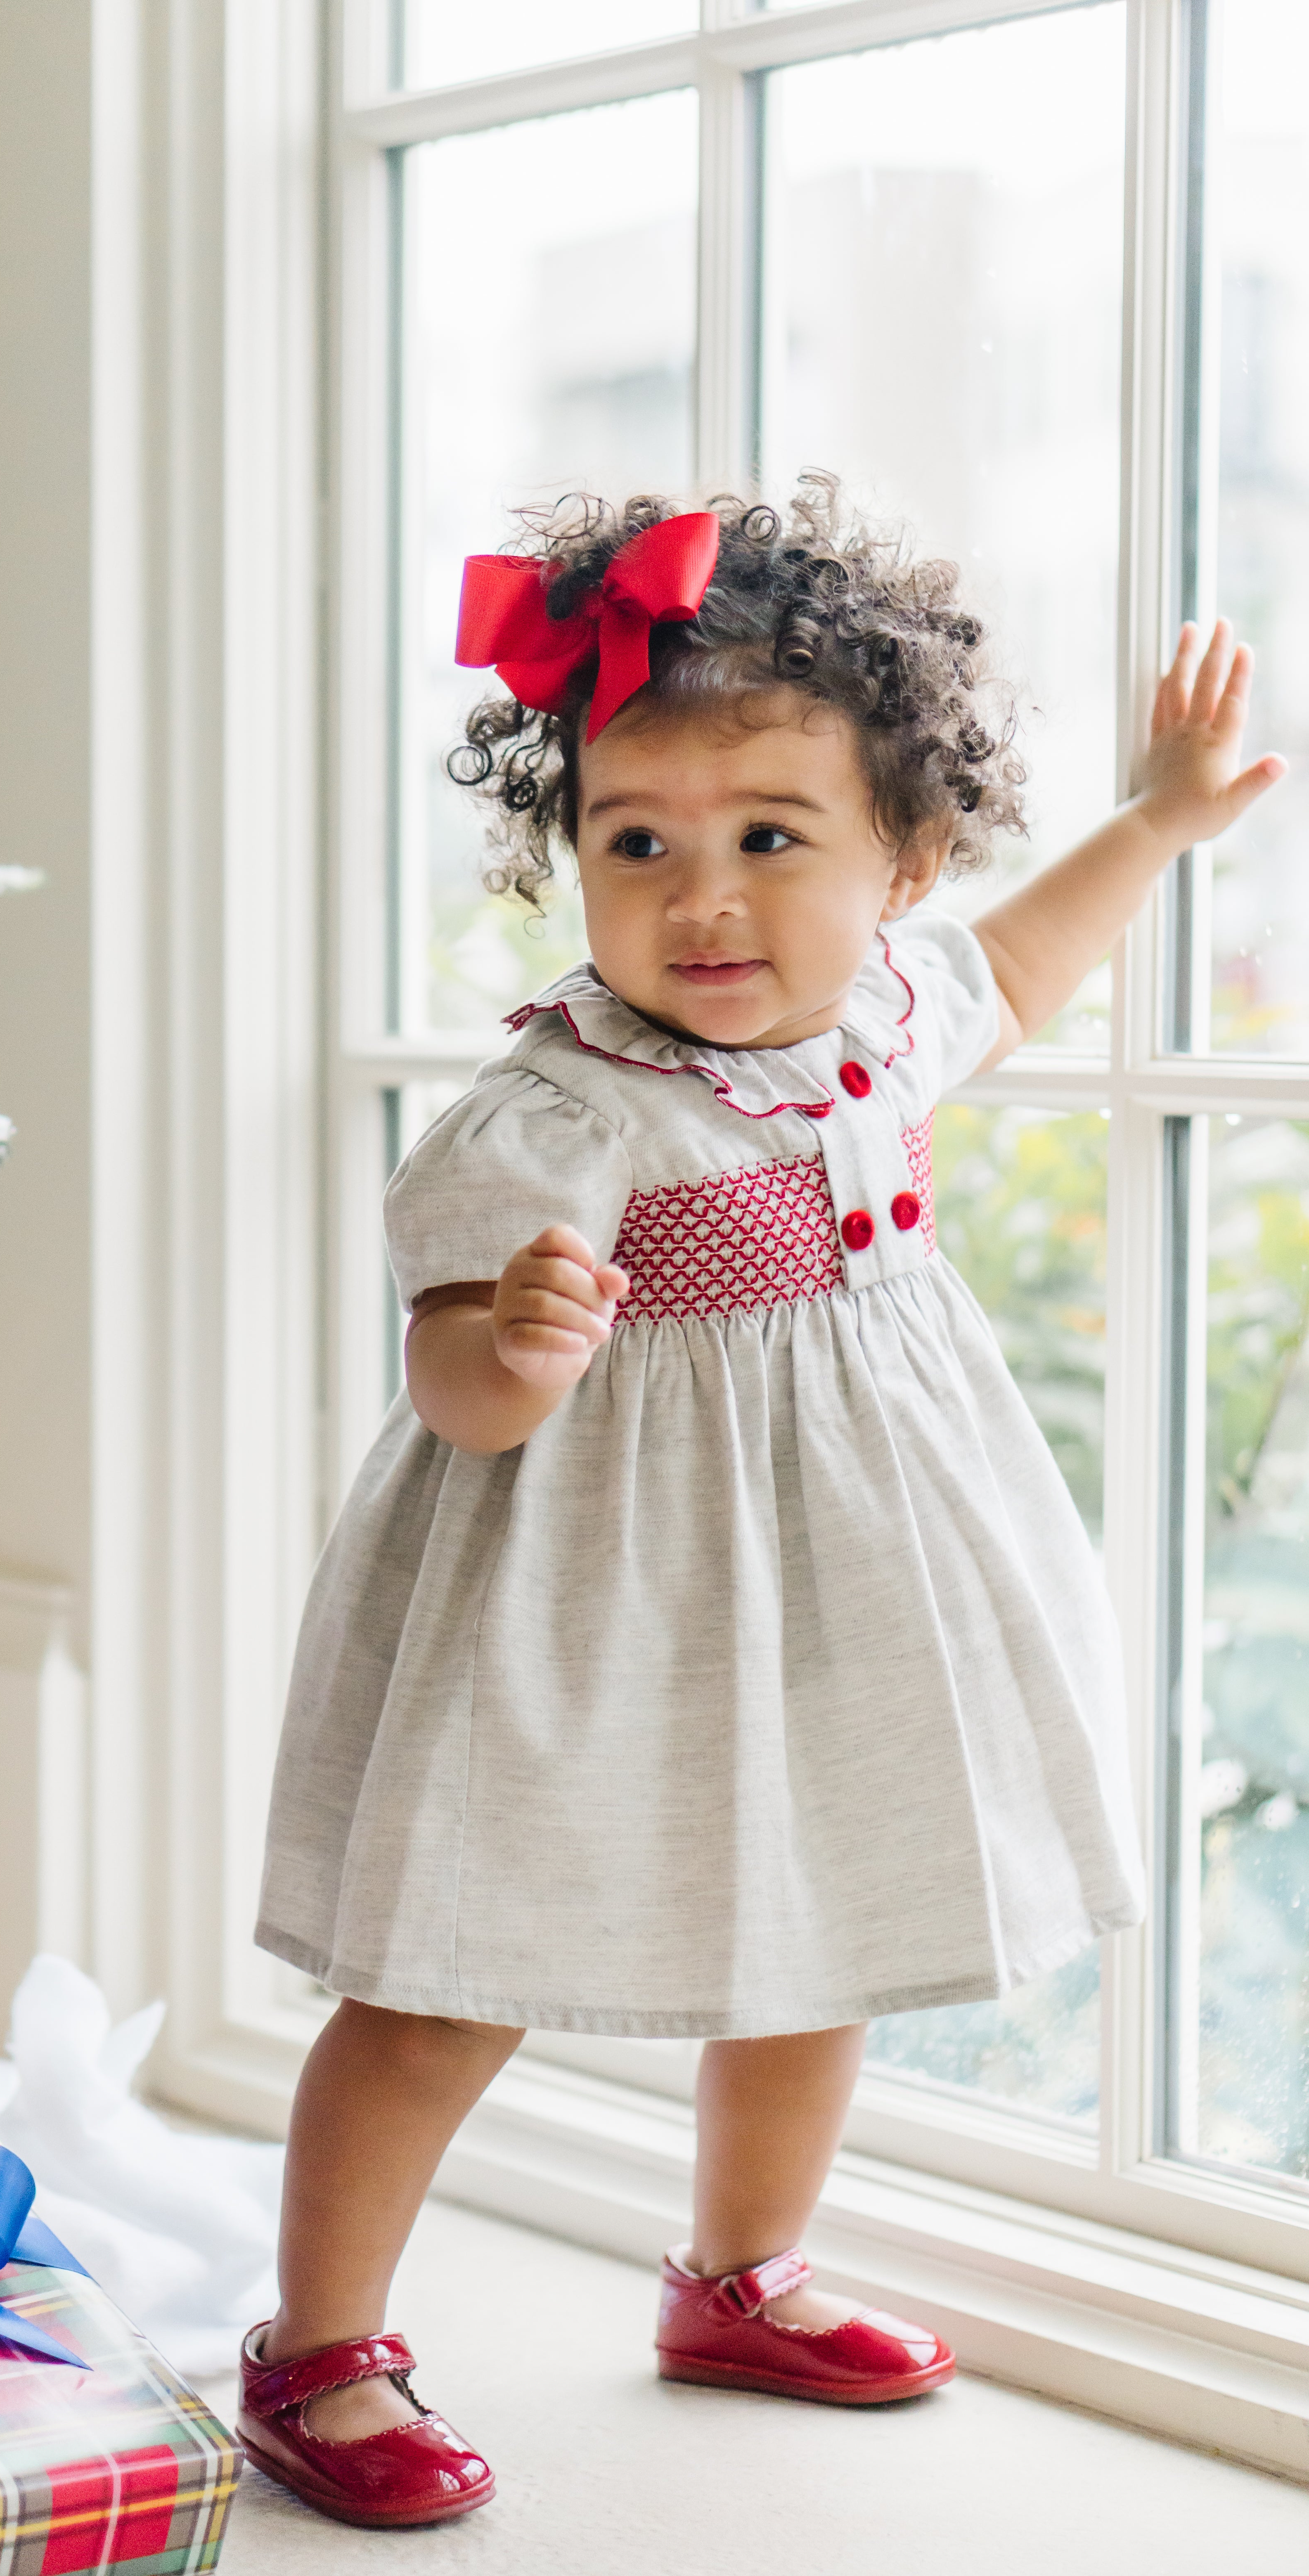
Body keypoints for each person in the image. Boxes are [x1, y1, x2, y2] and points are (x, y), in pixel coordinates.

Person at [234, 481, 1285, 2529]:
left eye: (768, 842)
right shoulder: (556, 1106)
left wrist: (1159, 821)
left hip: (839, 1570)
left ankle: (735, 2275)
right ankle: (317, 2346)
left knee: (827, 1922)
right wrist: (514, 1346)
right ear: (573, 862)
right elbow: (447, 1382)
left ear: (899, 861)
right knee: (452, 1969)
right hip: (585, 1585)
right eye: (637, 846)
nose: (699, 901)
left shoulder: (885, 1014)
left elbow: (1031, 961)